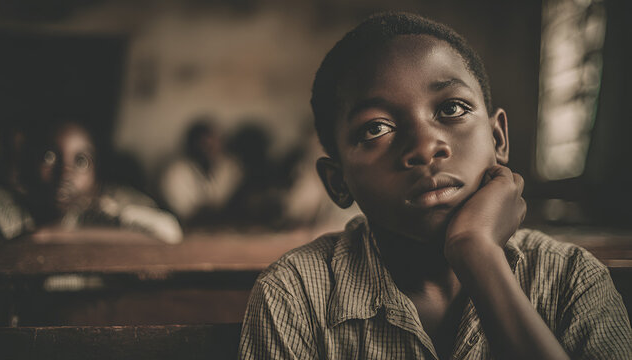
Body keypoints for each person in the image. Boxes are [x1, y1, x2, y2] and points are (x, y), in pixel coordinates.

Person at [238, 12, 632, 359]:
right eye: (376, 128)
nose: (426, 147)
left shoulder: (570, 279)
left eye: (451, 109)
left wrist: (477, 253)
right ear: (338, 182)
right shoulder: (295, 295)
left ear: (498, 139)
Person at [0, 119, 182, 244]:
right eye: (49, 157)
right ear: (27, 163)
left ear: (96, 177)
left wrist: (52, 237)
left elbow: (168, 232)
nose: (65, 173)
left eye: (81, 161)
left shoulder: (98, 212)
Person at [159, 118, 242, 226]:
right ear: (192, 145)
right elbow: (184, 214)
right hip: (185, 231)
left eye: (215, 143)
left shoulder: (228, 168)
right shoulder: (175, 172)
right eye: (205, 144)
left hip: (223, 230)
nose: (210, 150)